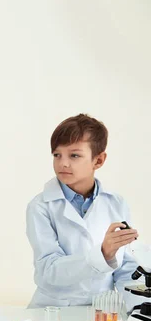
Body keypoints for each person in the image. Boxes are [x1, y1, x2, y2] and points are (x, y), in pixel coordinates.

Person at [26, 113, 142, 310]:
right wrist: (103, 254)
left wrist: (139, 309)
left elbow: (125, 267)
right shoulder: (40, 206)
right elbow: (48, 270)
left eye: (74, 155)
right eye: (57, 155)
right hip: (54, 310)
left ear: (98, 161)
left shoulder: (117, 203)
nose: (63, 163)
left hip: (102, 311)